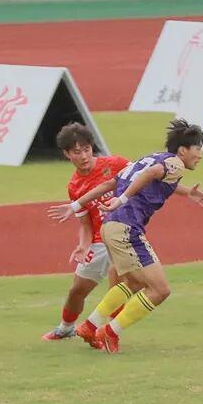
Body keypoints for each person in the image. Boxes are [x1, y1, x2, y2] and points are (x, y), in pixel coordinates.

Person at [48, 119, 203, 353]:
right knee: (160, 290)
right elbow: (151, 174)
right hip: (126, 227)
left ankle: (90, 326)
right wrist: (122, 199)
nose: (200, 155)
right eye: (198, 149)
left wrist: (75, 205)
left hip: (111, 226)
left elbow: (112, 182)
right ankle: (110, 331)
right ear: (183, 150)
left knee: (133, 283)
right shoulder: (175, 163)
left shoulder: (151, 157)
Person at [41, 123, 129, 341]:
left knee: (117, 284)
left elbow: (146, 175)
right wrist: (83, 246)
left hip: (123, 235)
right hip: (98, 241)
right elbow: (85, 224)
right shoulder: (74, 186)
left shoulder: (115, 164)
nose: (83, 156)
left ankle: (109, 334)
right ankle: (65, 328)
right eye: (76, 152)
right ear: (67, 154)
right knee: (77, 290)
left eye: (87, 149)